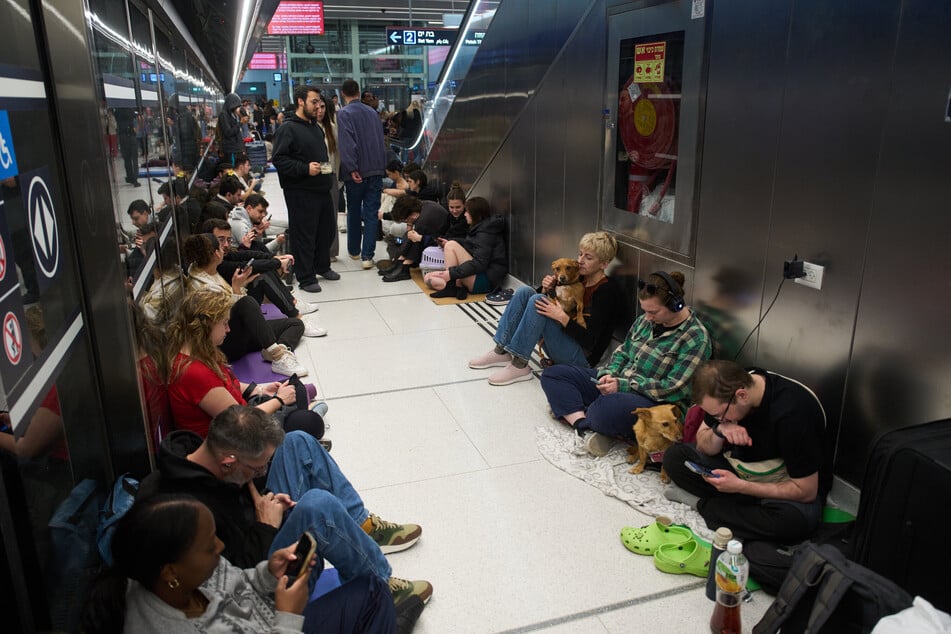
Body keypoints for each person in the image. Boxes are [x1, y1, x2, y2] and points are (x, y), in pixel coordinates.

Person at [137, 406, 433, 615]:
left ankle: (360, 523)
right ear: (228, 462)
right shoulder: (189, 514)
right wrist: (266, 525)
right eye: (258, 468)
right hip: (252, 581)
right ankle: (381, 587)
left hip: (255, 528)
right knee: (318, 506)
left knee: (296, 442)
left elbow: (240, 489)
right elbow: (231, 580)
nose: (264, 471)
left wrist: (266, 498)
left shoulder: (198, 456)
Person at [82, 494, 399, 633]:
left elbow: (233, 582)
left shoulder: (172, 577)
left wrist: (266, 573)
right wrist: (287, 617)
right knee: (373, 593)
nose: (220, 547)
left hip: (262, 615)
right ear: (170, 571)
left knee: (312, 526)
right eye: (209, 546)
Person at [540, 271, 711, 456]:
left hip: (653, 401)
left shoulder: (695, 338)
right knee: (554, 375)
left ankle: (577, 410)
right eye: (645, 311)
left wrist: (623, 385)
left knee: (606, 407)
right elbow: (622, 352)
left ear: (676, 305)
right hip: (619, 385)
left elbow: (673, 388)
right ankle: (583, 425)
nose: (647, 317)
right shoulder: (645, 321)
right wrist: (609, 374)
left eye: (653, 312)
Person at [662, 360, 829, 543]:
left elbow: (806, 491)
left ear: (742, 396)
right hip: (741, 469)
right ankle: (739, 510)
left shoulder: (793, 413)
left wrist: (741, 487)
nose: (719, 419)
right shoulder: (725, 391)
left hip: (784, 483)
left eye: (720, 415)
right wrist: (720, 430)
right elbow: (702, 446)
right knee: (674, 457)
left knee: (792, 524)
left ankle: (701, 504)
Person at [469, 232, 624, 385]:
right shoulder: (578, 277)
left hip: (582, 358)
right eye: (580, 254)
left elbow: (591, 341)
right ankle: (501, 351)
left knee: (538, 300)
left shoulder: (606, 291)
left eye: (588, 257)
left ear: (604, 264)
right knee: (525, 292)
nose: (580, 261)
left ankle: (519, 365)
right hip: (565, 340)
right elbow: (545, 299)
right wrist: (546, 289)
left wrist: (561, 317)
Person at [165, 288, 323, 438]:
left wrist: (260, 390)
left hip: (238, 412)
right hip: (234, 439)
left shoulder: (194, 350)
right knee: (310, 422)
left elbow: (224, 383)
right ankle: (303, 412)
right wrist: (278, 401)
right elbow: (239, 423)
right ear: (208, 325)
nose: (228, 329)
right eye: (224, 323)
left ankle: (300, 408)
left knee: (296, 389)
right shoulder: (195, 373)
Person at [182, 234, 308, 376]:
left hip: (238, 332)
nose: (225, 247)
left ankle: (276, 349)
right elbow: (221, 318)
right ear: (216, 253)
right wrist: (237, 288)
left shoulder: (203, 270)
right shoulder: (204, 286)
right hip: (225, 342)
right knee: (246, 302)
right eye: (221, 244)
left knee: (296, 324)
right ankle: (277, 356)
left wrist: (239, 287)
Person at [271, 86, 339, 293]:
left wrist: (327, 171)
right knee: (304, 235)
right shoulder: (288, 128)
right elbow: (279, 159)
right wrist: (305, 168)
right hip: (300, 191)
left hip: (321, 188)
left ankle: (322, 266)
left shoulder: (315, 127)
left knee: (325, 231)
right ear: (301, 102)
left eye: (319, 102)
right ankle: (306, 276)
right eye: (313, 102)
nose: (318, 106)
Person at [337, 79, 387, 269]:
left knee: (354, 210)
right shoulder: (373, 113)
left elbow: (347, 143)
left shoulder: (344, 113)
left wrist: (352, 168)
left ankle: (354, 250)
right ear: (358, 92)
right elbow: (381, 141)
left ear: (343, 94)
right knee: (372, 213)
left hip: (356, 172)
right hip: (376, 168)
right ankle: (368, 256)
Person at [424, 197, 506, 300]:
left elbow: (480, 263)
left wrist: (451, 273)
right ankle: (457, 288)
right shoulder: (480, 227)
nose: (465, 214)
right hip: (478, 275)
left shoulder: (486, 233)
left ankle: (452, 286)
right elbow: (473, 246)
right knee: (428, 278)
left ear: (475, 214)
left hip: (485, 280)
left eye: (467, 212)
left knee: (450, 245)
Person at [379, 196, 449, 282]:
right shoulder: (423, 205)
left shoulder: (423, 220)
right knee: (411, 236)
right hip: (434, 238)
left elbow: (417, 237)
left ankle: (404, 265)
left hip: (439, 243)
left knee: (414, 237)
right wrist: (410, 224)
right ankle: (400, 263)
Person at [218, 92, 246, 165]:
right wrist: (240, 123)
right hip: (231, 150)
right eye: (237, 106)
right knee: (232, 168)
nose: (238, 108)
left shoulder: (232, 115)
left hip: (236, 148)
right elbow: (228, 132)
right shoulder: (223, 115)